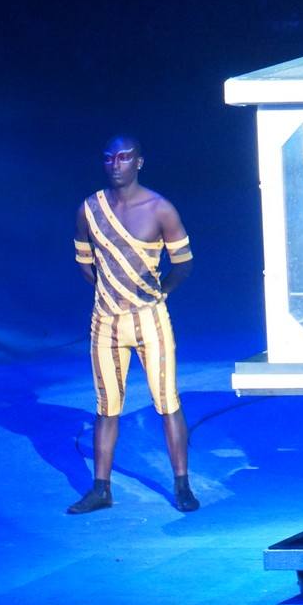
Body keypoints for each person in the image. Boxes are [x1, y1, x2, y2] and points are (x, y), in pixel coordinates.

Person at [67, 135, 198, 514]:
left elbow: (184, 264)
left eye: (124, 157)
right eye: (110, 158)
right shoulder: (90, 209)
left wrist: (158, 293)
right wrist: (113, 293)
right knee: (107, 406)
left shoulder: (160, 209)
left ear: (139, 162)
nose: (116, 164)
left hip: (150, 320)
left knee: (167, 401)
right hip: (106, 321)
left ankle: (182, 485)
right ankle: (101, 489)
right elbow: (85, 263)